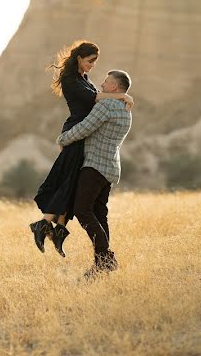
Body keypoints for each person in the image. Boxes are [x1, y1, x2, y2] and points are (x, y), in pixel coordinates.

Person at [29, 41, 133, 257]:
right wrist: (122, 96)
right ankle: (50, 227)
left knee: (71, 184)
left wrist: (121, 96)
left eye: (95, 62)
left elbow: (96, 99)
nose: (93, 66)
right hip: (75, 132)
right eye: (90, 61)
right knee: (64, 180)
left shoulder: (85, 79)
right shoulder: (70, 80)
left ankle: (56, 229)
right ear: (79, 58)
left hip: (82, 140)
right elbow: (93, 98)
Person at [56, 69, 133, 278]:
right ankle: (102, 263)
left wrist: (63, 139)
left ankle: (105, 259)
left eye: (107, 81)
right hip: (110, 168)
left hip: (95, 166)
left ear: (115, 87)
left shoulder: (106, 105)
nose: (102, 83)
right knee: (99, 214)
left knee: (82, 211)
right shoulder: (126, 109)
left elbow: (85, 128)